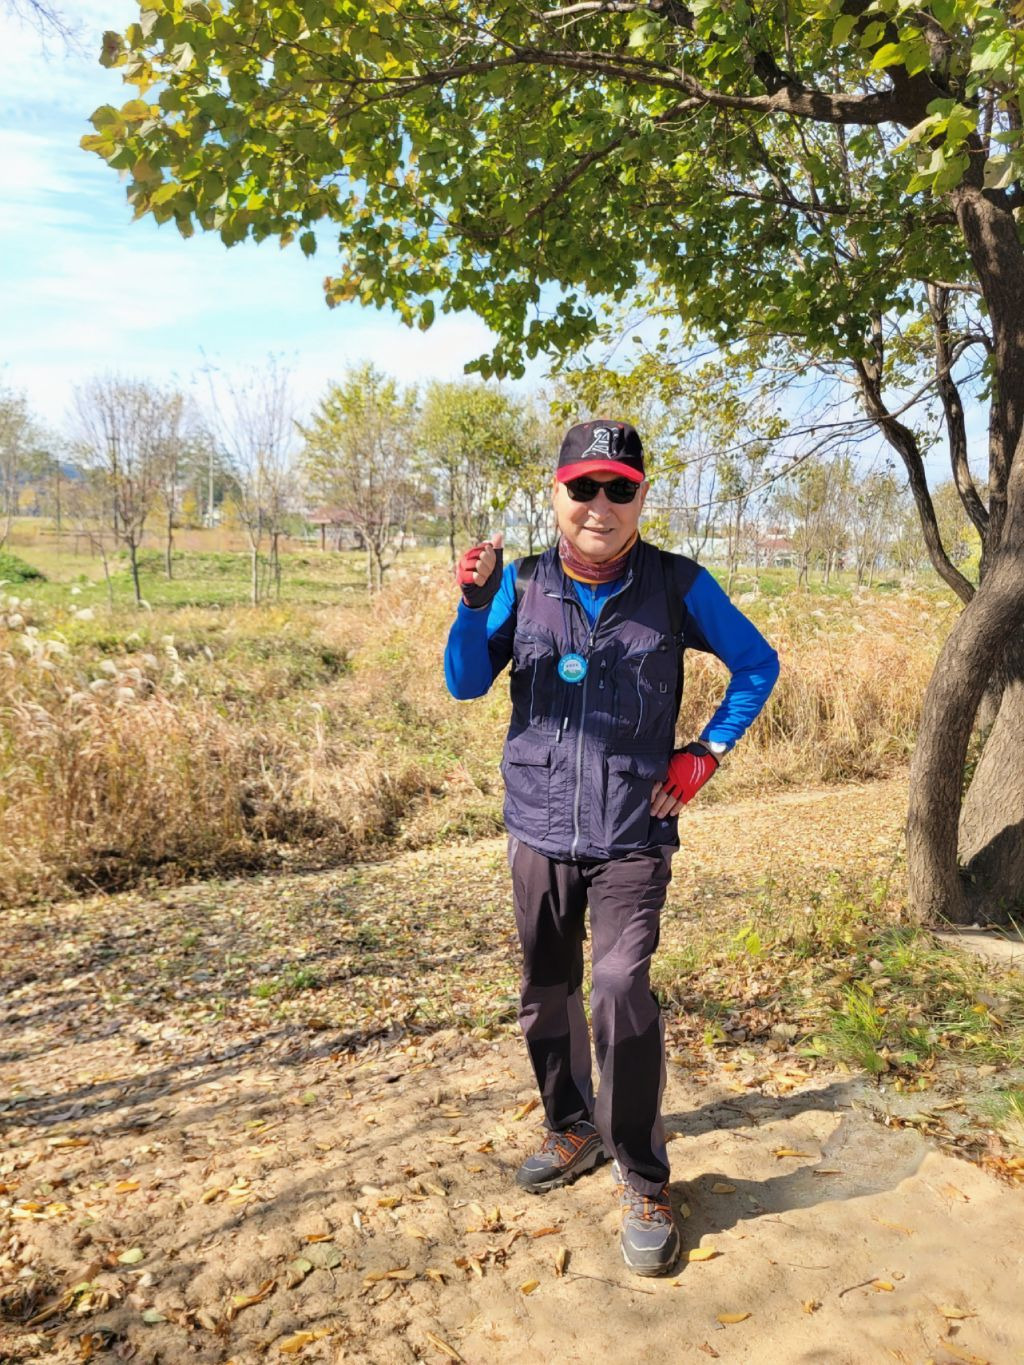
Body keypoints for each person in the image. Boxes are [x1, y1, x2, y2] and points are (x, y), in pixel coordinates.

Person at [443, 420, 780, 1277]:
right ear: (557, 494)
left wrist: (704, 753)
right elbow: (465, 681)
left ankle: (643, 1176)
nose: (600, 504)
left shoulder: (678, 584)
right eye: (583, 487)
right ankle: (571, 1126)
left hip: (633, 828)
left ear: (641, 496)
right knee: (545, 987)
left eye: (619, 487)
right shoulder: (522, 582)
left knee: (622, 988)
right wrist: (473, 608)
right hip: (538, 824)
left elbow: (756, 665)